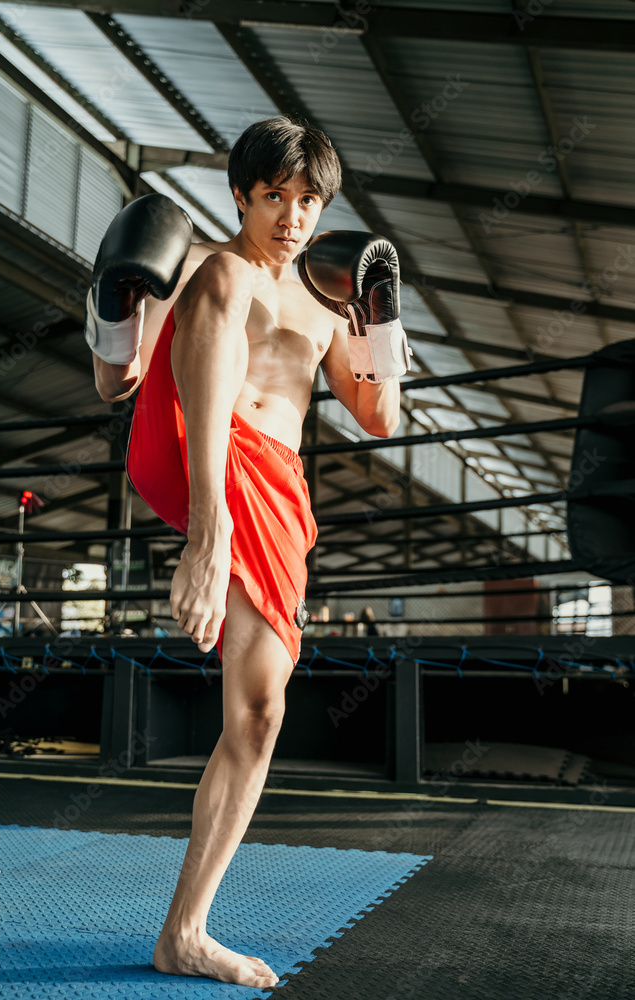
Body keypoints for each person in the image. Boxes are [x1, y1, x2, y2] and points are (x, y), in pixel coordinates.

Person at [86, 116, 410, 989]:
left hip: (274, 488)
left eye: (308, 201)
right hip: (192, 449)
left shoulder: (327, 299)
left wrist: (380, 317)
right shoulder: (204, 267)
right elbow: (116, 383)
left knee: (259, 713)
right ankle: (208, 533)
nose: (292, 217)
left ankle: (184, 933)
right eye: (274, 196)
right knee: (226, 276)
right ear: (241, 194)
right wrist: (116, 306)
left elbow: (380, 418)